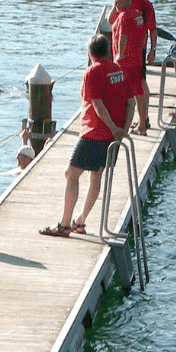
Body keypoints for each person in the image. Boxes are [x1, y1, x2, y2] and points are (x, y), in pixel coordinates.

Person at [39, 34, 134, 237]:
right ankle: (80, 221)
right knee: (96, 176)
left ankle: (65, 224)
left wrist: (111, 127)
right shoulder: (120, 71)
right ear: (108, 51)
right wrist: (121, 130)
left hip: (94, 132)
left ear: (90, 53)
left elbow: (98, 106)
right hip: (113, 135)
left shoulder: (92, 72)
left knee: (71, 174)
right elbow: (131, 102)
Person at [110, 0, 157, 133]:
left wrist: (152, 49)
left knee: (133, 90)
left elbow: (149, 29)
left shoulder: (141, 7)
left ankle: (139, 123)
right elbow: (111, 20)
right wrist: (115, 3)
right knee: (136, 89)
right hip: (135, 55)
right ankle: (141, 123)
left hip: (129, 57)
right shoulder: (133, 11)